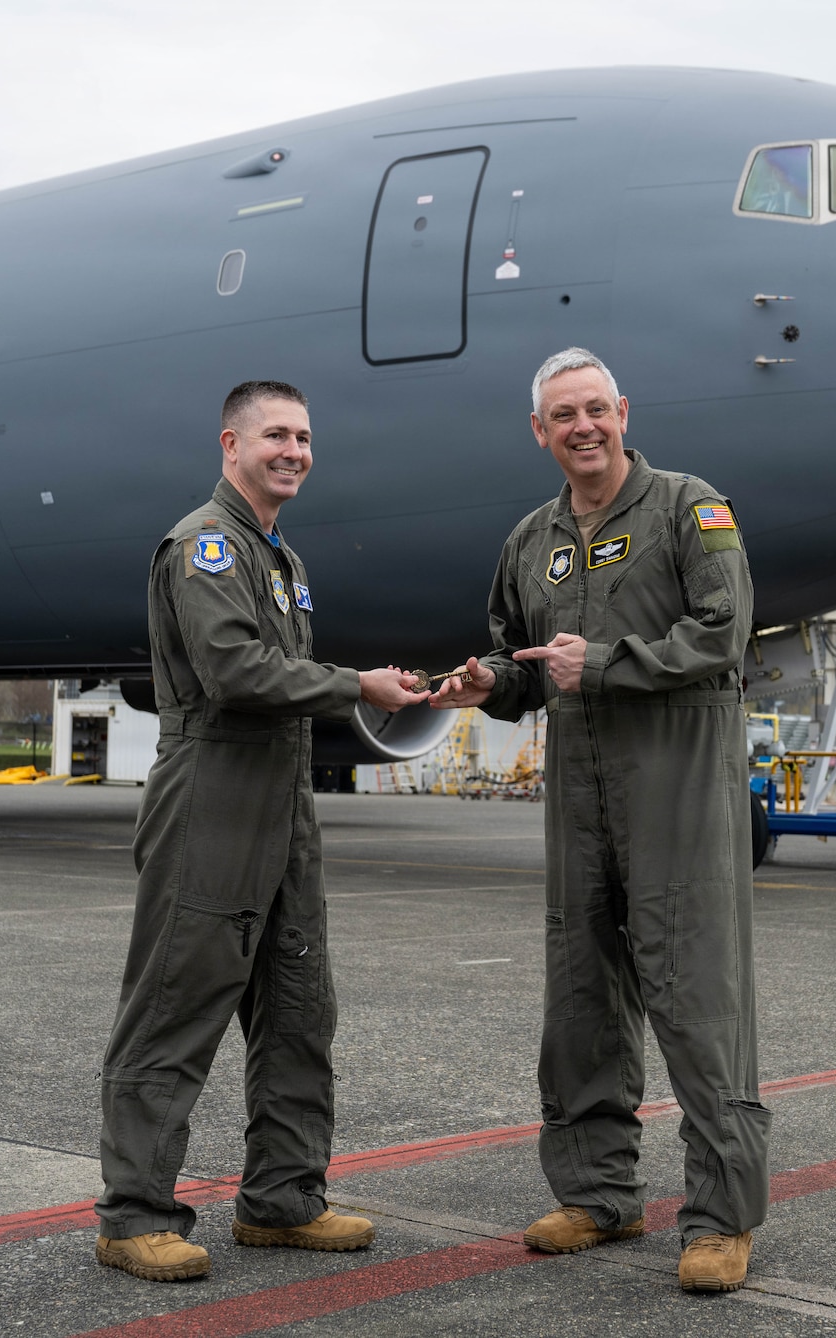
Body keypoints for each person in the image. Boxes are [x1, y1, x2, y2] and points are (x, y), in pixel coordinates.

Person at [431, 348, 769, 1292]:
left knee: (696, 1000)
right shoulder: (531, 538)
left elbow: (723, 632)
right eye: (562, 417)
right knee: (580, 997)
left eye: (595, 409)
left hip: (678, 788)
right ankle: (598, 1195)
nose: (583, 428)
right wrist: (487, 681)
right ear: (540, 433)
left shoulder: (689, 509)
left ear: (623, 410)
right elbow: (526, 660)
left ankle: (721, 1217)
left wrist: (609, 662)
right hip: (580, 799)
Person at [95, 380, 427, 1283]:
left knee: (297, 1009)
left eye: (305, 437)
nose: (294, 450)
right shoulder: (206, 547)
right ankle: (134, 1215)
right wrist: (356, 685)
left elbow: (273, 672)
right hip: (213, 795)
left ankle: (283, 1201)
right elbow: (235, 671)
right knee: (178, 1002)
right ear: (230, 445)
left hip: (282, 801)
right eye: (275, 435)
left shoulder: (280, 558)